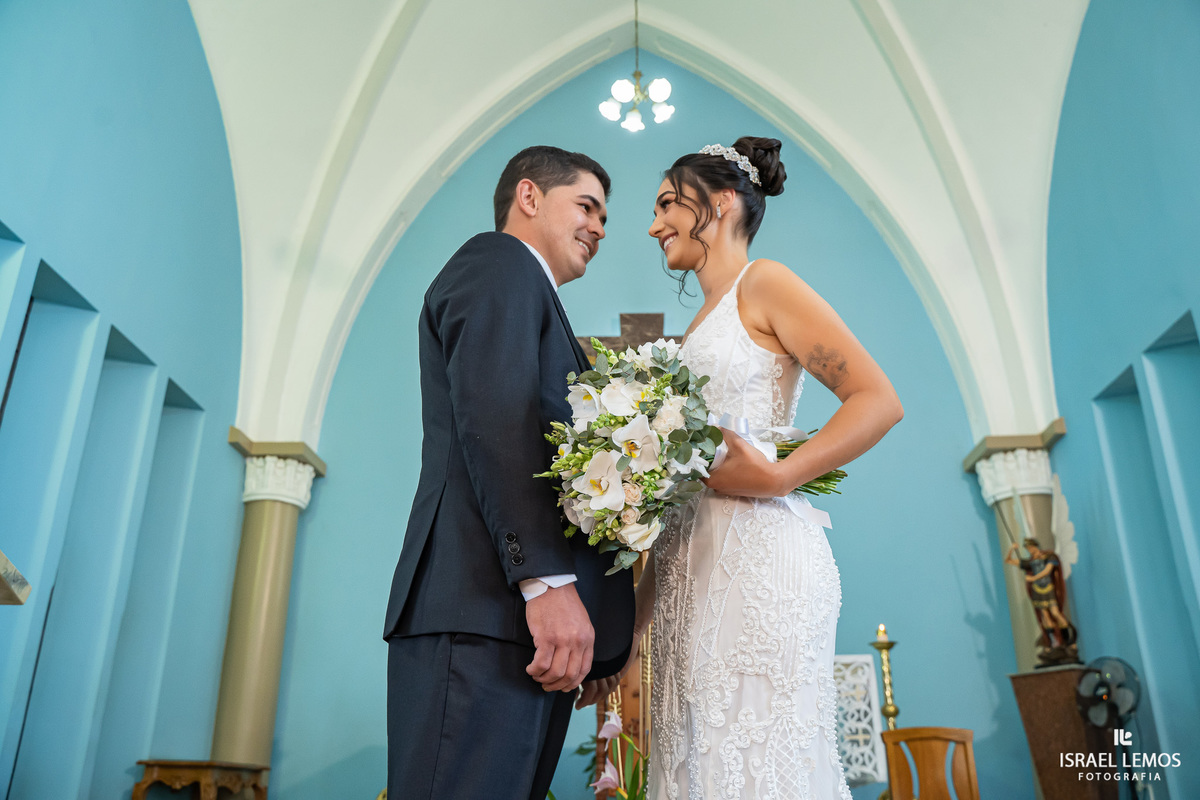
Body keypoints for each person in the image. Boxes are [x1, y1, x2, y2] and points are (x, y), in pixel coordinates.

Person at [585, 137, 904, 798]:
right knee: (694, 763)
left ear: (722, 202)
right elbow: (678, 497)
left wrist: (782, 474)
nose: (653, 224)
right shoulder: (696, 324)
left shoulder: (764, 284)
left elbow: (878, 400)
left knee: (755, 761)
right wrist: (631, 629)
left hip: (759, 559)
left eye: (668, 203)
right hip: (687, 569)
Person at [383, 146, 635, 800]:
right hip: (485, 608)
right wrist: (546, 583)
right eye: (587, 206)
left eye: (604, 216)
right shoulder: (498, 265)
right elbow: (499, 417)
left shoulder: (534, 297)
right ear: (529, 196)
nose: (600, 228)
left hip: (512, 622)